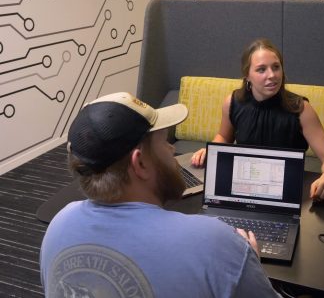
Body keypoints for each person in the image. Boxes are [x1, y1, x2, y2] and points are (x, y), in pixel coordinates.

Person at [39, 92, 281, 298]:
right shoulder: (217, 243)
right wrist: (248, 263)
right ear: (140, 163)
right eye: (164, 142)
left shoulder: (58, 226)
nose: (172, 149)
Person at [191, 39, 324, 201]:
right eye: (261, 69)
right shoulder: (233, 102)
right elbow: (224, 136)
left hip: (286, 193)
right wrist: (212, 150)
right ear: (247, 75)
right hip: (244, 189)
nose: (272, 75)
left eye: (276, 67)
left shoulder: (301, 109)